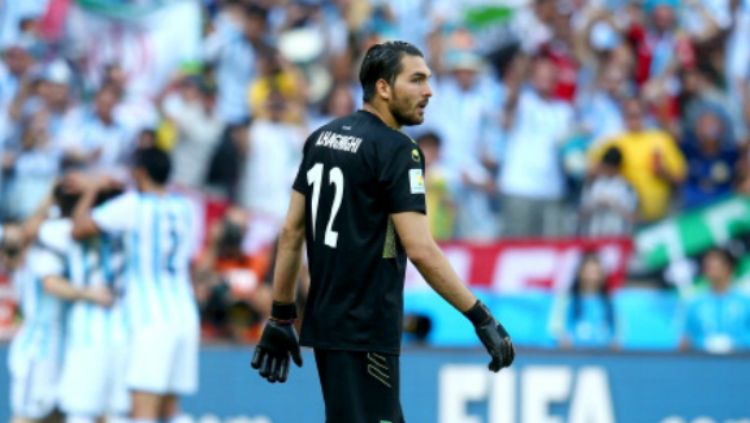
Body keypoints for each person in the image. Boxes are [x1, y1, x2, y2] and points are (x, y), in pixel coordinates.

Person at [251, 41, 514, 422]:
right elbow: (421, 249)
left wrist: (281, 315)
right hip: (366, 329)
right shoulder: (398, 151)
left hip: (330, 327)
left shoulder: (320, 138)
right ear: (383, 87)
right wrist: (481, 317)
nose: (429, 91)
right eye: (417, 79)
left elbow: (292, 232)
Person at [70, 147, 199, 423]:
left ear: (140, 173)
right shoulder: (186, 207)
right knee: (170, 409)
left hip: (150, 317)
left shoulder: (132, 205)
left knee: (143, 410)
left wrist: (91, 191)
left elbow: (79, 228)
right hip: (185, 314)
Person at [37, 183, 130, 423]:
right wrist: (88, 293)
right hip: (94, 330)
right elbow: (50, 282)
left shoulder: (121, 228)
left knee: (108, 411)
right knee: (86, 410)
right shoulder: (61, 231)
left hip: (111, 330)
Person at [681, 247, 750, 353]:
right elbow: (686, 339)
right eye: (707, 267)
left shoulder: (746, 301)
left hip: (741, 362)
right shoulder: (695, 303)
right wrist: (704, 344)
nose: (710, 271)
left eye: (715, 267)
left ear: (728, 267)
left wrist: (734, 344)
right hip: (703, 363)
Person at [557, 253, 617, 349]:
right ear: (579, 273)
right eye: (588, 272)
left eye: (596, 272)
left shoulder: (609, 303)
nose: (591, 278)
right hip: (575, 357)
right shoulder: (568, 302)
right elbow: (560, 332)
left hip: (603, 357)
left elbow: (616, 337)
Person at [579, 146, 638, 237]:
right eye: (606, 167)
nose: (608, 170)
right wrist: (596, 204)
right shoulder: (594, 185)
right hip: (595, 236)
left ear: (618, 167)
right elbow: (582, 214)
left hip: (618, 236)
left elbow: (633, 218)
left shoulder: (626, 187)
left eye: (611, 168)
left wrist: (614, 205)